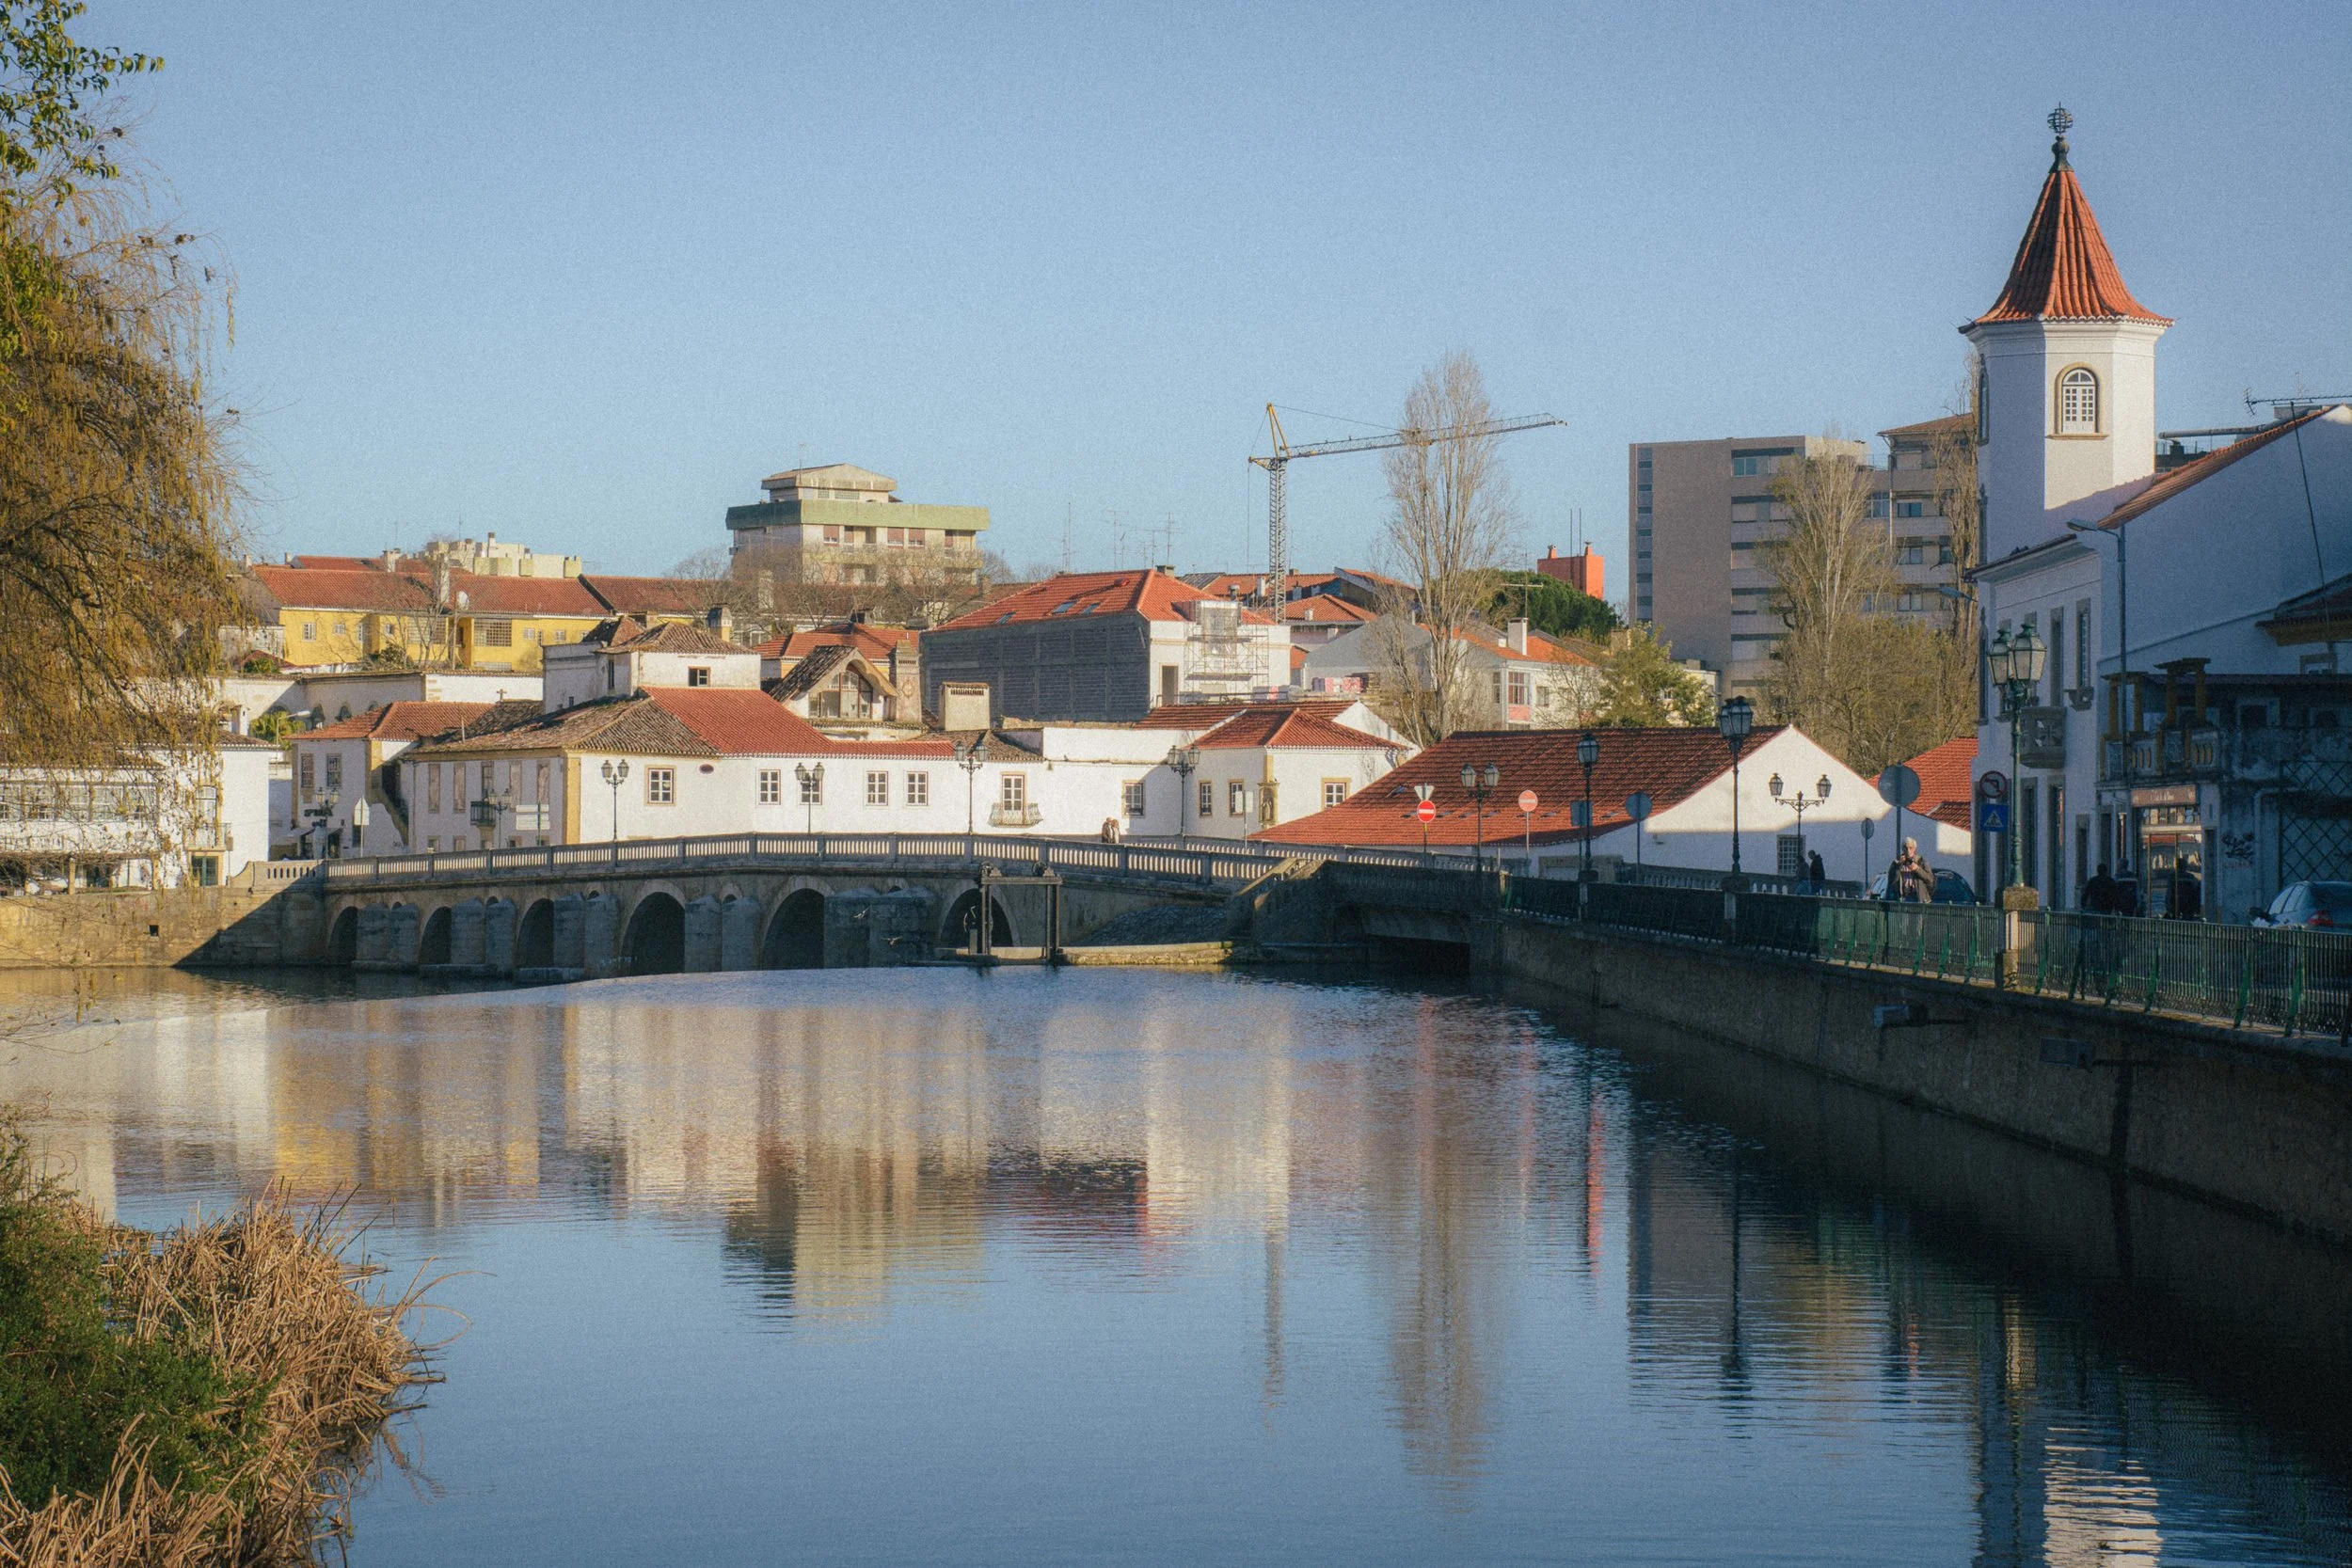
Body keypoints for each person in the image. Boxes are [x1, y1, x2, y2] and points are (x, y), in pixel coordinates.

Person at [1895, 838, 1933, 903]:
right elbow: (1891, 879)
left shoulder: (1921, 861)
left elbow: (1930, 879)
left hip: (1919, 899)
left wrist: (1917, 869)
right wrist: (1896, 866)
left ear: (1914, 849)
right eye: (1906, 848)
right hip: (1904, 898)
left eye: (1911, 848)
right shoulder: (1899, 861)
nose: (1908, 851)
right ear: (1903, 849)